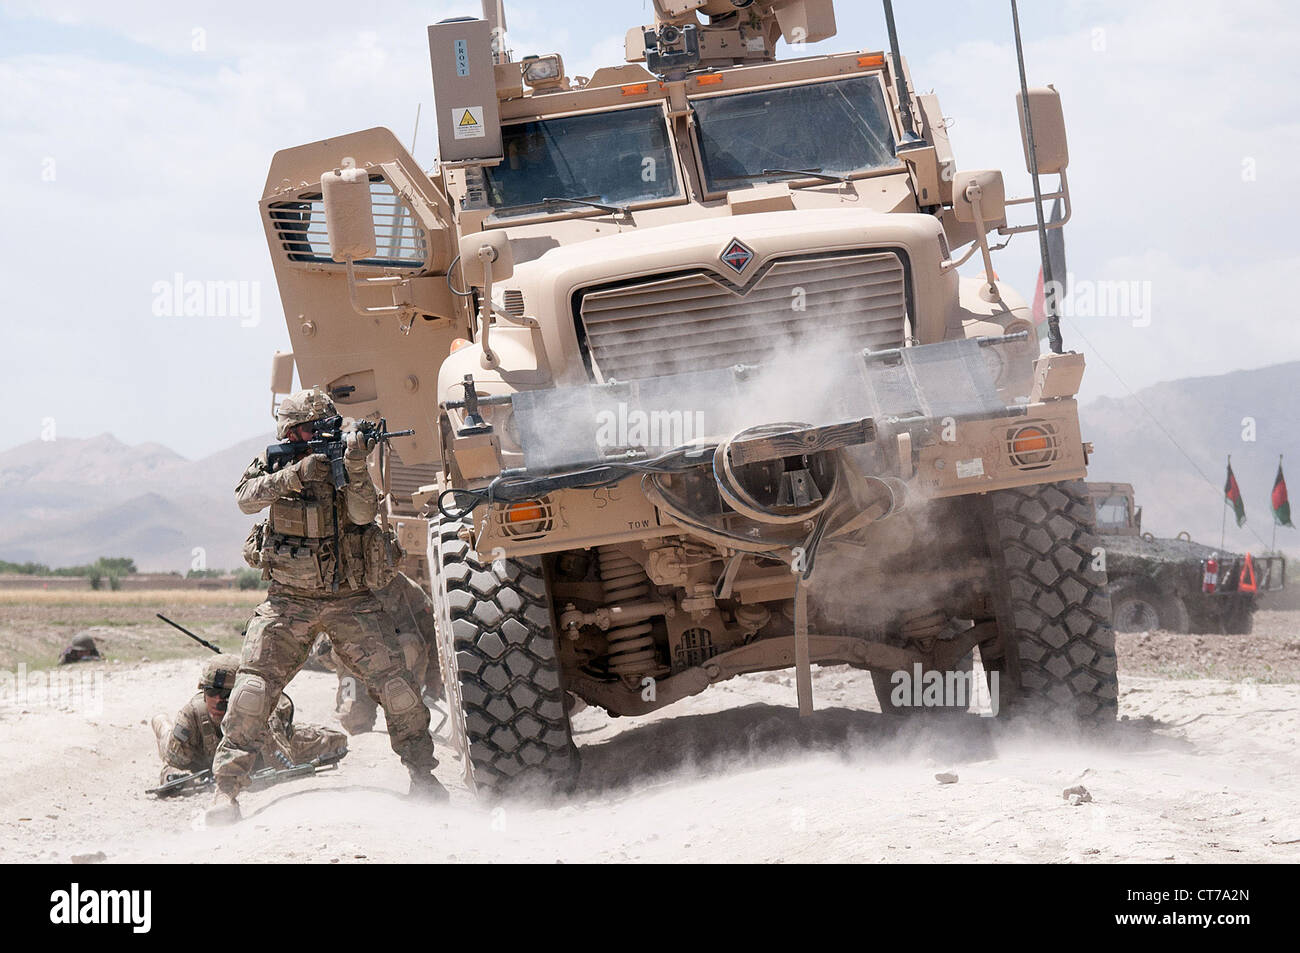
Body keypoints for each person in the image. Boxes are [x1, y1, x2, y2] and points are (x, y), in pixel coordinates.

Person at [208, 388, 445, 823]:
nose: (325, 435)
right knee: (252, 693)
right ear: (293, 433)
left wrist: (355, 467)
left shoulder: (347, 462)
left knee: (397, 689)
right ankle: (226, 792)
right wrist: (296, 474)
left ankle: (423, 775)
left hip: (350, 600)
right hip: (288, 603)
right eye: (314, 431)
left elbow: (361, 514)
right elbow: (245, 498)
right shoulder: (273, 462)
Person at [150, 654, 347, 782]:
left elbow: (282, 762)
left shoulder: (259, 713)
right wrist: (173, 777)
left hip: (284, 738)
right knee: (167, 741)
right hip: (197, 753)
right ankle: (160, 722)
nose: (218, 700)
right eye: (211, 692)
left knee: (336, 742)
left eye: (227, 695)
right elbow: (173, 762)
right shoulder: (192, 715)